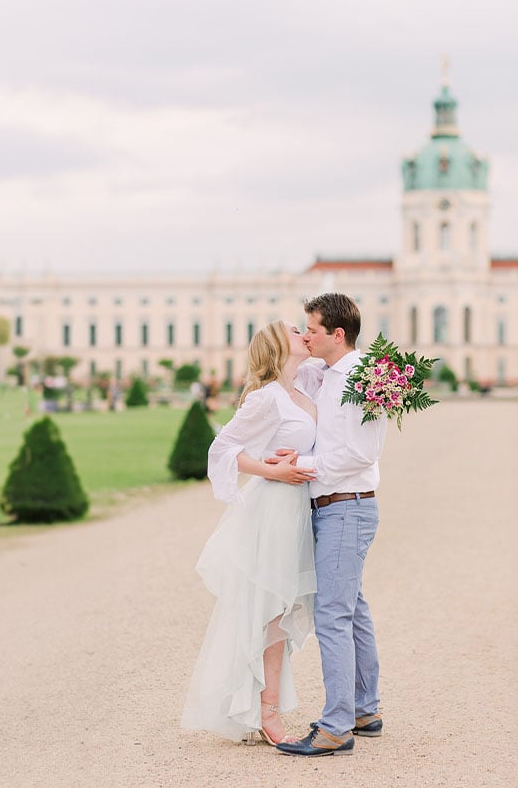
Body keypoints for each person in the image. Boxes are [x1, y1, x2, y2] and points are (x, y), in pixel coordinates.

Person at [181, 321, 321, 746]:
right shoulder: (266, 398)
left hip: (300, 507)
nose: (304, 332)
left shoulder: (305, 389)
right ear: (278, 347)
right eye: (295, 330)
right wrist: (271, 468)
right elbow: (222, 448)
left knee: (281, 609)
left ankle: (265, 705)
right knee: (271, 611)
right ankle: (265, 712)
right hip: (276, 509)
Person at [273, 293, 388, 757]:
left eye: (313, 329)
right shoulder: (324, 373)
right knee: (352, 608)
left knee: (333, 615)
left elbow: (361, 453)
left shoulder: (361, 379)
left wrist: (302, 463)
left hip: (347, 505)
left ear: (337, 334)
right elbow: (279, 369)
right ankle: (363, 709)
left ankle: (337, 725)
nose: (307, 335)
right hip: (337, 505)